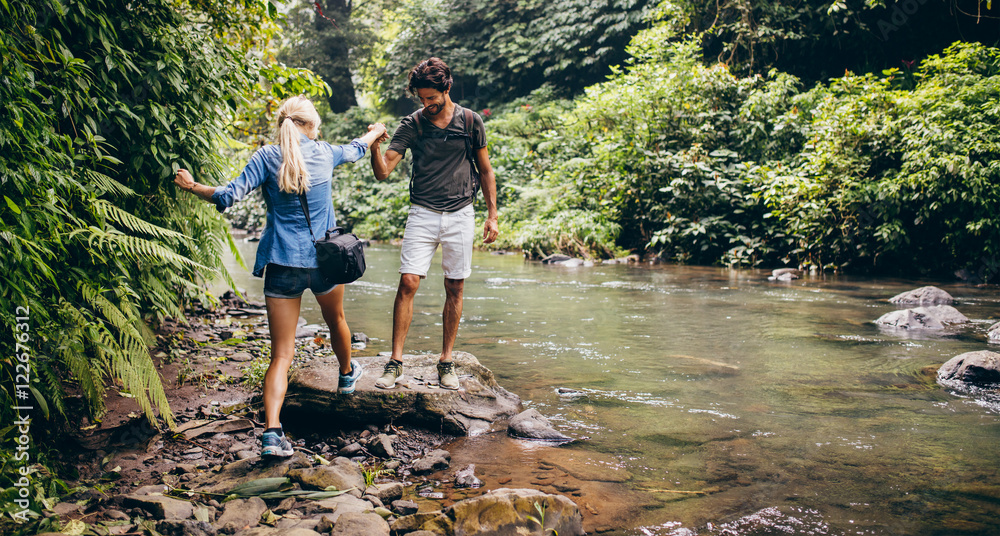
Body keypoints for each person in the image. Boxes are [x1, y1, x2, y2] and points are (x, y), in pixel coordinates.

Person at [174, 96, 387, 457]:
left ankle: (273, 433)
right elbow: (356, 149)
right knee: (335, 320)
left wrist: (192, 186)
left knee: (281, 355)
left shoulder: (265, 157)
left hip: (282, 263)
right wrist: (378, 132)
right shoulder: (324, 153)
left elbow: (227, 196)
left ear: (282, 124)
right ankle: (347, 375)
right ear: (310, 125)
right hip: (324, 261)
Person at [369, 57, 499, 390]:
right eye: (421, 99)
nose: (426, 104)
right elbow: (384, 171)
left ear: (447, 88)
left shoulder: (470, 121)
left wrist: (492, 215)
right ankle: (396, 362)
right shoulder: (412, 124)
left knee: (455, 286)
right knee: (409, 282)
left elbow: (485, 170)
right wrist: (375, 146)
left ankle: (446, 362)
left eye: (431, 98)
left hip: (461, 213)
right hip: (423, 212)